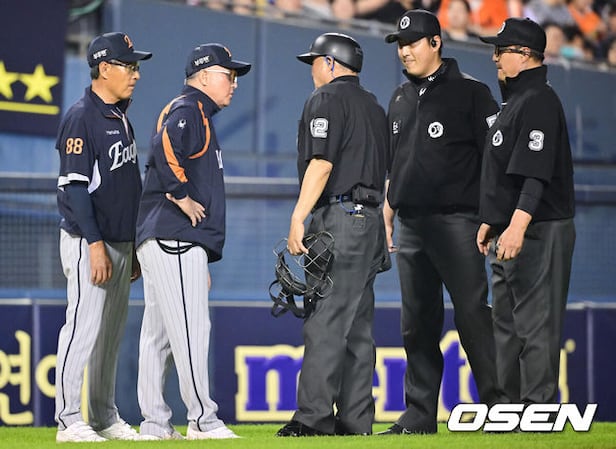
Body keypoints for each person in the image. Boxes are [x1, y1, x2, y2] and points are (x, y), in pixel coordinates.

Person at [379, 9, 503, 435]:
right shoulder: (399, 98)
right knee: (417, 323)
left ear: (436, 43)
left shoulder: (472, 93)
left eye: (412, 43)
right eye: (400, 44)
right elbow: (395, 166)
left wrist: (491, 217)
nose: (404, 51)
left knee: (472, 315)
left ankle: (499, 407)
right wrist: (388, 212)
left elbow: (495, 161)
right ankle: (419, 415)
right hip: (411, 224)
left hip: (458, 222)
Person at [134, 43, 250, 440]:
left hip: (167, 239)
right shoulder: (189, 109)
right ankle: (202, 419)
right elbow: (164, 146)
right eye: (228, 75)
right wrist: (180, 193)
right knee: (190, 330)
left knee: (159, 335)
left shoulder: (192, 111)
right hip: (175, 236)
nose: (234, 83)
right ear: (203, 77)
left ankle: (154, 424)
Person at [275, 32, 388, 437]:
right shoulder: (374, 105)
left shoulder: (325, 98)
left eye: (314, 61)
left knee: (325, 320)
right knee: (357, 326)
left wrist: (298, 216)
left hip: (340, 217)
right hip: (370, 220)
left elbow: (321, 164)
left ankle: (313, 420)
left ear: (330, 63)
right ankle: (356, 421)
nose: (312, 69)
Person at [54, 32, 151, 442]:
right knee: (82, 328)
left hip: (120, 243)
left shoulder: (119, 115)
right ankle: (68, 419)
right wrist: (95, 245)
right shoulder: (82, 117)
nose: (136, 74)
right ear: (104, 68)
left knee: (109, 337)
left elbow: (127, 186)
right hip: (88, 241)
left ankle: (103, 416)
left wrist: (134, 245)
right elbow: (75, 188)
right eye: (129, 66)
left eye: (136, 66)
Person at [477, 18, 576, 405]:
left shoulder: (539, 100)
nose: (494, 58)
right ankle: (509, 407)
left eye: (500, 50)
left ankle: (537, 409)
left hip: (538, 226)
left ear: (523, 55)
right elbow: (504, 174)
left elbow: (535, 174)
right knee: (505, 323)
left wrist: (516, 226)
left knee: (535, 324)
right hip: (510, 228)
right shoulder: (515, 102)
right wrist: (492, 220)